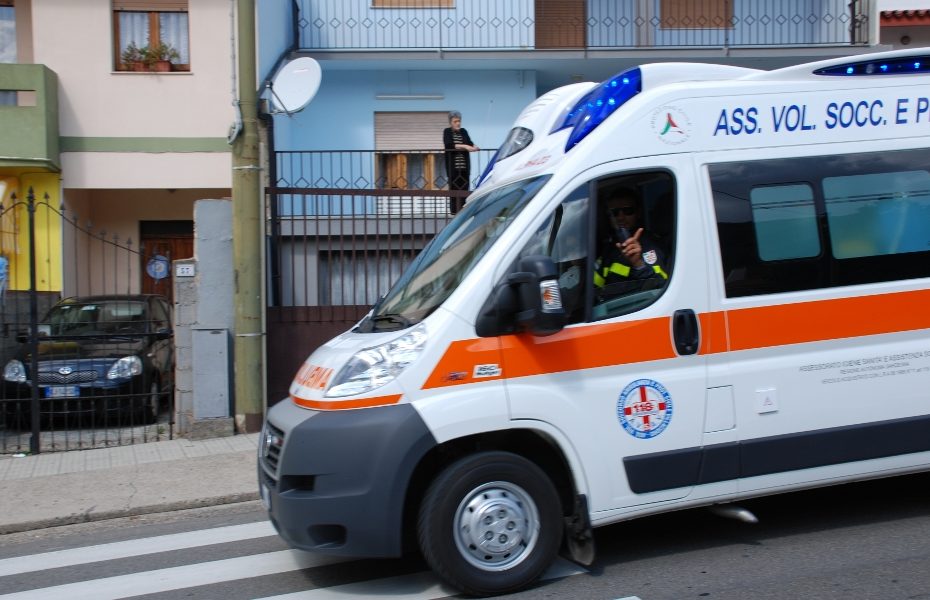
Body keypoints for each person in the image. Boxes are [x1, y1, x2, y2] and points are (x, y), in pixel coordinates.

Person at [594, 188, 669, 290]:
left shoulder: (652, 244)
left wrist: (638, 264)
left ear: (638, 213)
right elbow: (594, 289)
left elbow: (661, 287)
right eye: (615, 212)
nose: (620, 217)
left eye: (628, 211)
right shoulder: (608, 249)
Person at [443, 110, 479, 214]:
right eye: (455, 121)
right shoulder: (447, 131)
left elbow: (470, 143)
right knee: (454, 190)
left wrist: (474, 146)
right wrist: (465, 146)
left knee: (464, 189)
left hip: (464, 169)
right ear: (451, 122)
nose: (458, 123)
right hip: (453, 169)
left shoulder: (463, 131)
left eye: (459, 121)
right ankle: (454, 213)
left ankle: (463, 211)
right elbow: (448, 145)